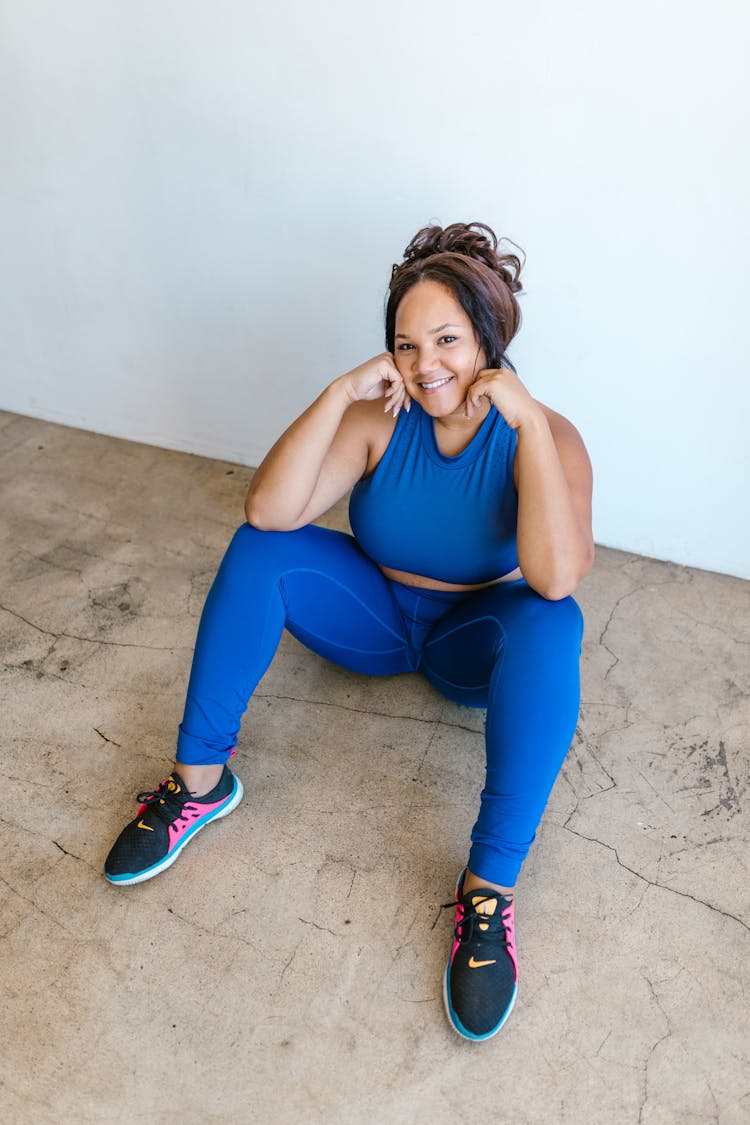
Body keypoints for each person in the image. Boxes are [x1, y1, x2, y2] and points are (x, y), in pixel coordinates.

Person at [104, 221, 594, 1042]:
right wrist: (339, 394)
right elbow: (269, 511)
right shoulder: (382, 416)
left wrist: (532, 428)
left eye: (446, 338)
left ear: (489, 338)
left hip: (472, 641)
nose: (425, 363)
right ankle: (197, 787)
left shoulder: (549, 437)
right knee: (261, 552)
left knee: (555, 623)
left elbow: (553, 576)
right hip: (371, 621)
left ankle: (488, 892)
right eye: (406, 344)